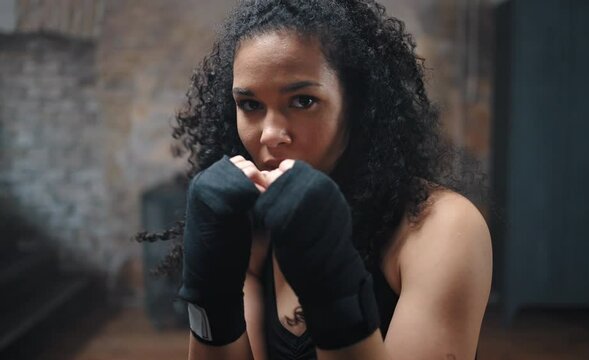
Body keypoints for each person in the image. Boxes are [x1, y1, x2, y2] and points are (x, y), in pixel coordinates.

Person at [138, 0, 493, 359]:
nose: (270, 134)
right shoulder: (252, 227)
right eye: (250, 104)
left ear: (357, 104)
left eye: (303, 101)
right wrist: (211, 300)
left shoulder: (440, 228)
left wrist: (332, 285)